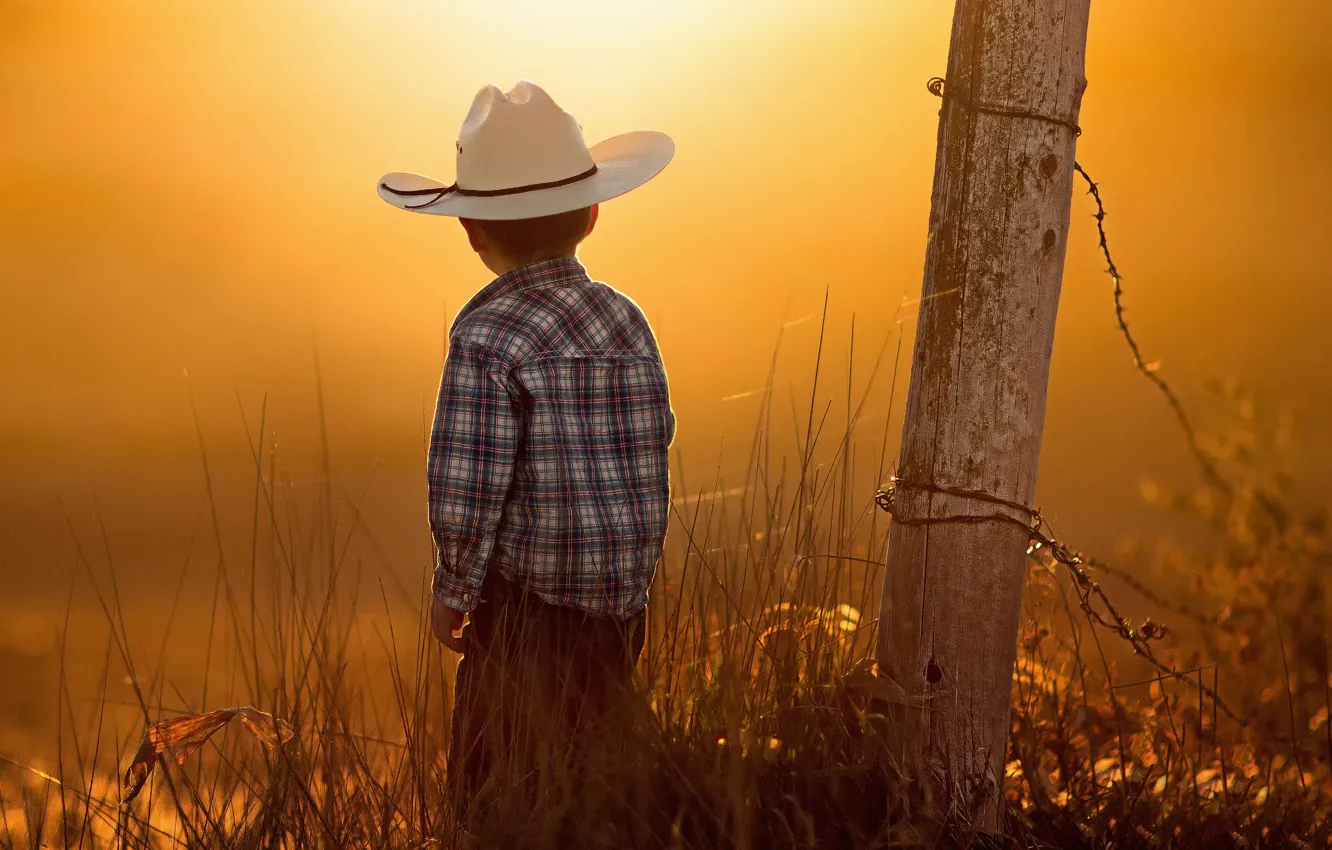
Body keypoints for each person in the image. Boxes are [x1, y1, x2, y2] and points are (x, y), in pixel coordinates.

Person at [376, 80, 676, 831]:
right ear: (595, 212)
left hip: (523, 618)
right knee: (598, 780)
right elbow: (654, 439)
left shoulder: (487, 336)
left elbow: (466, 488)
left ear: (472, 229)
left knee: (495, 791)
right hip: (619, 613)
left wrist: (455, 587)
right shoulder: (626, 319)